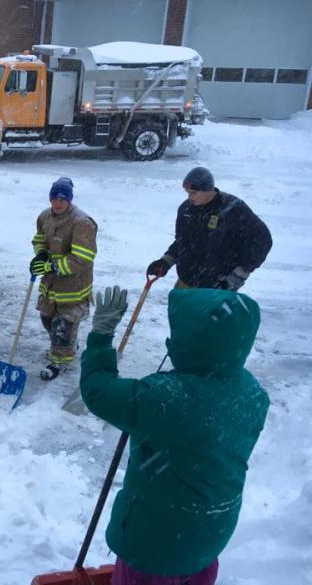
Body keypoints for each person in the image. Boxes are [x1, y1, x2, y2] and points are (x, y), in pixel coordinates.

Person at [80, 285, 269, 585]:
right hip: (209, 535)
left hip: (154, 543)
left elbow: (97, 391)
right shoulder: (252, 393)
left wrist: (102, 335)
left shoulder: (165, 399)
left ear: (188, 343)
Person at [147, 167, 272, 290]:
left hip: (217, 288)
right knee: (179, 311)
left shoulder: (232, 209)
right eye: (187, 192)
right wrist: (166, 261)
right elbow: (182, 241)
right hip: (186, 283)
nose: (190, 197)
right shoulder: (186, 210)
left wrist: (238, 276)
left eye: (194, 193)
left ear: (208, 190)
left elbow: (262, 240)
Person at [29, 177, 97, 381]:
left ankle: (60, 360)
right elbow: (39, 239)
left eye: (63, 199)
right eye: (54, 198)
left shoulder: (82, 223)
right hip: (51, 285)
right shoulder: (45, 216)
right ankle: (67, 344)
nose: (58, 203)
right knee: (47, 318)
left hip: (73, 286)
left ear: (69, 200)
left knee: (63, 325)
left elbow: (82, 258)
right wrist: (40, 254)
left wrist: (52, 266)